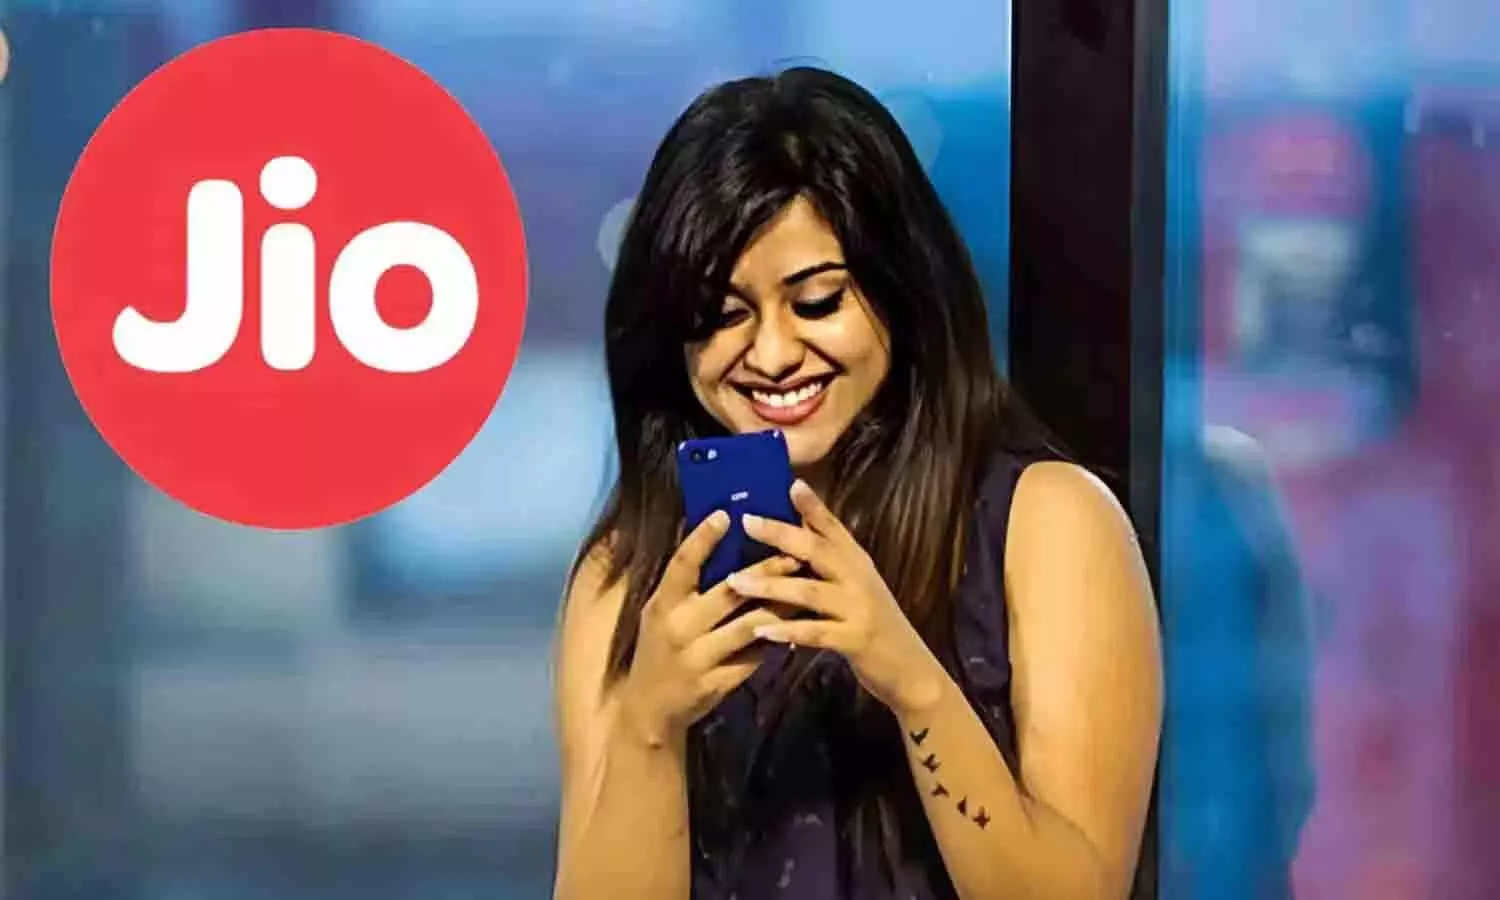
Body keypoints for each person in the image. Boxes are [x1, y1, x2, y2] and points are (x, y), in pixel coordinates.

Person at [552, 66, 1162, 900]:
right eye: (723, 315)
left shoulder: (1049, 525)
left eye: (817, 302)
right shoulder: (626, 576)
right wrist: (648, 730)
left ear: (902, 292)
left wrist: (911, 680)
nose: (772, 355)